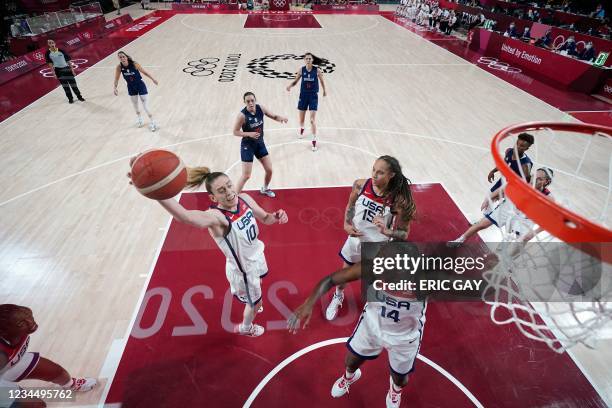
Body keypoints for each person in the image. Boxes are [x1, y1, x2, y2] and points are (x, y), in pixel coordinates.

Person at [132, 167, 288, 337]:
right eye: (222, 191)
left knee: (257, 289)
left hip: (256, 256)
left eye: (229, 185)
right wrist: (157, 192)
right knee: (255, 304)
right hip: (244, 270)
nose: (229, 192)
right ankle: (246, 327)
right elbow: (185, 216)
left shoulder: (244, 198)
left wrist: (276, 216)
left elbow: (266, 218)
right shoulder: (216, 217)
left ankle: (252, 299)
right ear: (213, 198)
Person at [288, 242, 426, 408]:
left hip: (405, 337)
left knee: (400, 378)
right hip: (372, 326)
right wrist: (310, 302)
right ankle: (349, 377)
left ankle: (395, 389)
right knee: (351, 361)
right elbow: (331, 279)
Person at [326, 156, 416, 320]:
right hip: (355, 240)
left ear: (391, 175)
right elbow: (351, 204)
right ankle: (339, 295)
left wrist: (387, 231)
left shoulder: (399, 200)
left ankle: (373, 309)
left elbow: (404, 233)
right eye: (373, 170)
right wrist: (346, 224)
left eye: (380, 173)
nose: (374, 175)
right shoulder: (361, 184)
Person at [0, 305, 97, 408]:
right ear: (4, 331)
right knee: (36, 405)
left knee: (56, 372)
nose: (30, 322)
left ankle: (71, 385)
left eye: (28, 314)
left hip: (8, 365)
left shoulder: (13, 329)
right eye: (21, 323)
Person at [448, 167, 554, 246]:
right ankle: (460, 240)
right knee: (481, 224)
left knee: (520, 243)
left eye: (540, 179)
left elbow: (549, 221)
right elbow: (504, 189)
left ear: (547, 182)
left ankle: (509, 266)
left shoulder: (548, 198)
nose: (535, 179)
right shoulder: (522, 182)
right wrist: (488, 200)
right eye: (534, 176)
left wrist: (534, 232)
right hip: (508, 208)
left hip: (524, 219)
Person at [232, 91, 288, 197]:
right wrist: (249, 134)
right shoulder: (242, 116)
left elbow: (273, 116)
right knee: (246, 175)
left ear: (255, 100)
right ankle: (233, 198)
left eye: (252, 100)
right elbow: (235, 131)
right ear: (244, 102)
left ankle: (265, 189)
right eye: (248, 101)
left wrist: (280, 118)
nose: (251, 103)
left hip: (259, 144)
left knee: (269, 170)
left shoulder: (260, 108)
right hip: (247, 146)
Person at [286, 52, 328, 152]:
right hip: (303, 96)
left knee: (312, 120)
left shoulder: (317, 70)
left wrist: (324, 90)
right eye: (307, 58)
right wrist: (290, 86)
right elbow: (296, 81)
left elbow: (322, 81)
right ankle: (302, 128)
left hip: (313, 96)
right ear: (304, 60)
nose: (308, 60)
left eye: (310, 58)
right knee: (301, 120)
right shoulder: (301, 70)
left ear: (312, 60)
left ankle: (314, 141)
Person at [484, 132, 534, 210]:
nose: (518, 147)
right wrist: (493, 171)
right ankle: (485, 217)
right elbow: (504, 164)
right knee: (488, 198)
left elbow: (526, 183)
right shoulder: (509, 151)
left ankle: (489, 219)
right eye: (517, 144)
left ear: (526, 149)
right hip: (503, 180)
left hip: (513, 187)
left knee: (497, 204)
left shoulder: (525, 165)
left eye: (522, 146)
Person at [113, 51, 159, 131]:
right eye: (120, 57)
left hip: (140, 85)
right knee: (135, 105)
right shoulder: (119, 67)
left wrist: (153, 79)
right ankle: (140, 119)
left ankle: (153, 122)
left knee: (145, 106)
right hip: (130, 87)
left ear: (126, 57)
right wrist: (115, 87)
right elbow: (116, 78)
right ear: (119, 59)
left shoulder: (134, 64)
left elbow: (144, 72)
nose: (122, 58)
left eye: (123, 56)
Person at [45, 39, 84, 104]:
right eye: (49, 43)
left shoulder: (61, 51)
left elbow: (68, 61)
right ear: (48, 45)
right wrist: (54, 73)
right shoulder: (48, 53)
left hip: (67, 69)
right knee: (65, 86)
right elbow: (50, 64)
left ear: (54, 43)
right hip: (58, 71)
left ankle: (79, 96)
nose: (51, 44)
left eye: (52, 42)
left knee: (73, 84)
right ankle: (70, 99)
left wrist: (72, 70)